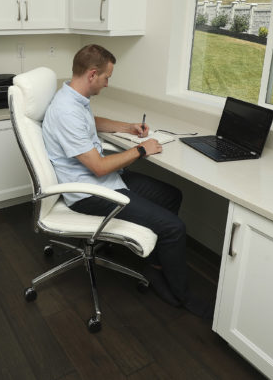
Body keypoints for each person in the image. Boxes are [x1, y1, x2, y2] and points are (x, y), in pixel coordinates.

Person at [41, 44, 211, 319]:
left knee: (171, 195)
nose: (108, 83)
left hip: (105, 180)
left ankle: (154, 265)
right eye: (107, 77)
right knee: (174, 228)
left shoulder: (72, 98)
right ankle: (183, 296)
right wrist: (141, 149)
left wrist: (126, 127)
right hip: (89, 192)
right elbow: (97, 167)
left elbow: (90, 122)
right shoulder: (66, 111)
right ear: (93, 74)